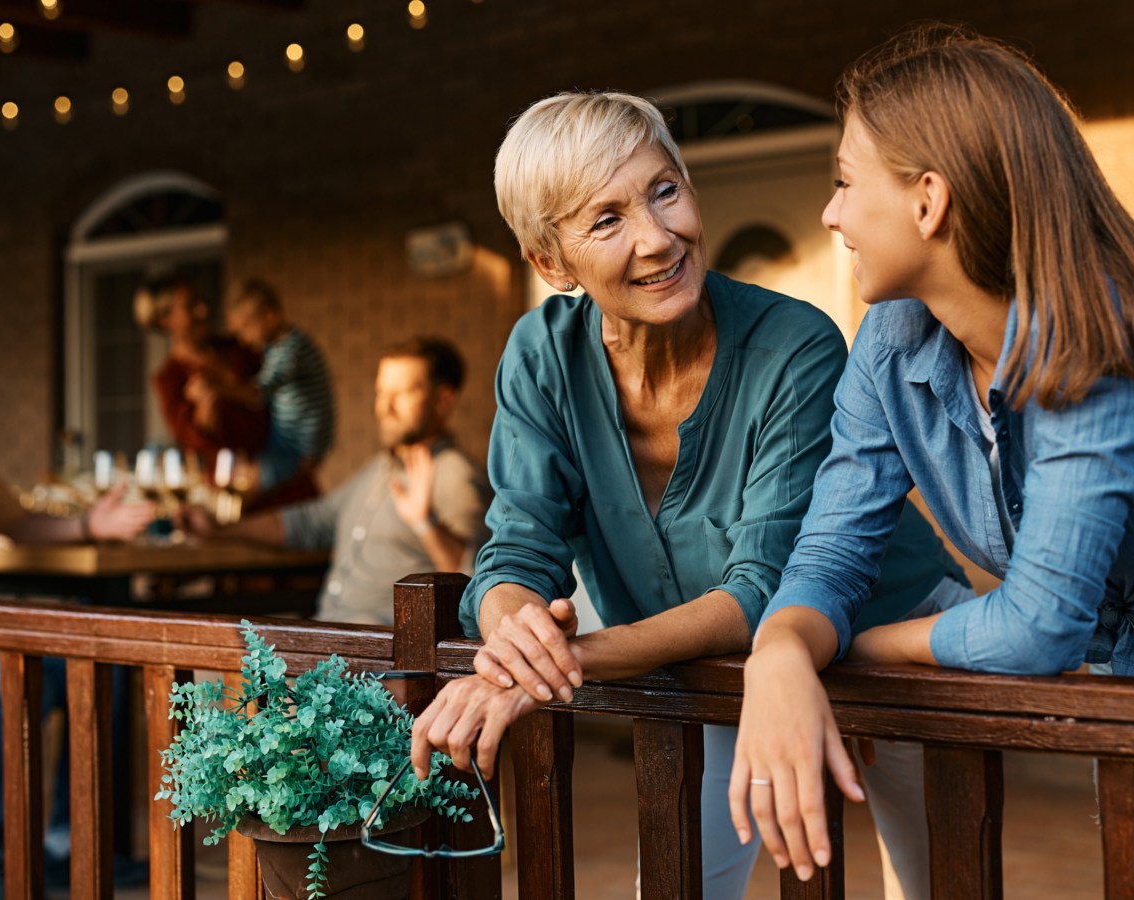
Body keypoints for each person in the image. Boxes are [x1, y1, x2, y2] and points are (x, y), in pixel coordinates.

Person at [409, 90, 968, 899]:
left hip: (895, 650)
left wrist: (551, 670)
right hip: (705, 675)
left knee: (935, 887)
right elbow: (518, 547)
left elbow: (757, 591)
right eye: (606, 220)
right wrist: (513, 635)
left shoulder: (795, 343)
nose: (657, 237)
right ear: (550, 263)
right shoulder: (540, 355)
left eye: (664, 190)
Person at [729, 23, 1134, 885]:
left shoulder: (1096, 334)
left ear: (928, 201)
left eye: (843, 182)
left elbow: (1037, 627)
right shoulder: (891, 341)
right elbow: (831, 551)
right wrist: (784, 655)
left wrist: (862, 646)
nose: (831, 214)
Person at [0, 325, 157, 895]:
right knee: (4, 686)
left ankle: (65, 840)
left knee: (95, 670)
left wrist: (88, 525)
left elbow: (16, 521)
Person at [183, 337, 491, 624]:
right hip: (327, 642)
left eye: (401, 394)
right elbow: (310, 521)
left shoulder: (456, 475)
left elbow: (476, 582)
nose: (385, 408)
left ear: (443, 401)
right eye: (381, 393)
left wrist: (426, 523)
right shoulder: (381, 467)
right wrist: (221, 529)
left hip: (379, 664)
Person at [133, 271, 268, 469]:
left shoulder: (239, 345)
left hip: (287, 471)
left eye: (201, 301)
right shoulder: (169, 378)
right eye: (191, 305)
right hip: (237, 483)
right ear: (164, 320)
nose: (203, 310)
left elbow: (276, 394)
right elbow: (194, 443)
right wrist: (206, 404)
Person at [224, 277, 336, 506]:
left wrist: (220, 387)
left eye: (247, 328)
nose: (245, 340)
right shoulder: (275, 346)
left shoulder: (292, 349)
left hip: (299, 446)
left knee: (244, 494)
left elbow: (257, 394)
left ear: (269, 315)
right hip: (284, 438)